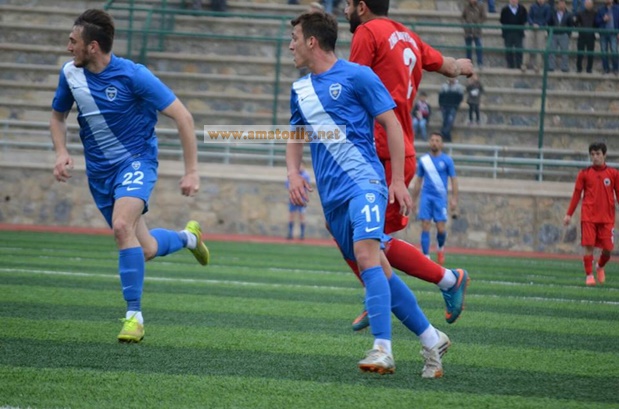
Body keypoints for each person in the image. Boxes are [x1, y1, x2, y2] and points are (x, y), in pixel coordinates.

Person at [287, 11, 452, 377]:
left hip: (366, 183)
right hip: (333, 201)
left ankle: (382, 348)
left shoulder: (358, 75)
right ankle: (431, 337)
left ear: (311, 41)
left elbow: (392, 124)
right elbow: (296, 135)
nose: (290, 46)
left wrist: (397, 181)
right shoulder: (300, 90)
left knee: (367, 256)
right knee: (381, 270)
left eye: (294, 38)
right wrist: (293, 173)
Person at [49, 9, 210, 344]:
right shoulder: (70, 74)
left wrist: (191, 171)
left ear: (93, 46)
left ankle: (134, 317)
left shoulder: (134, 76)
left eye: (73, 41)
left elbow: (183, 116)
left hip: (137, 162)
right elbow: (58, 115)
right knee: (145, 248)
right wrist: (61, 152)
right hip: (100, 174)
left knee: (122, 226)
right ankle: (189, 238)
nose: (68, 47)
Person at [344, 0, 471, 331]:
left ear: (361, 6)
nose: (344, 10)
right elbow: (448, 66)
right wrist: (461, 66)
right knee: (363, 235)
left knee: (370, 240)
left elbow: (350, 85)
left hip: (383, 152)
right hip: (396, 150)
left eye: (347, 4)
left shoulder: (367, 32)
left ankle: (447, 280)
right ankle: (380, 293)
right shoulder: (408, 36)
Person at [563, 142, 619, 286]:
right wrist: (569, 214)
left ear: (604, 155)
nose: (595, 157)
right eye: (592, 154)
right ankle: (589, 275)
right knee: (589, 246)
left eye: (598, 154)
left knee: (608, 249)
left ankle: (600, 266)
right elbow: (577, 194)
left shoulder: (613, 174)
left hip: (607, 218)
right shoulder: (584, 173)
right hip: (589, 216)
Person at [410, 132, 459, 265]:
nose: (434, 143)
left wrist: (454, 198)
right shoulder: (424, 160)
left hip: (440, 198)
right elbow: (418, 180)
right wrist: (413, 200)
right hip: (426, 196)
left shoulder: (447, 160)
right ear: (429, 142)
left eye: (437, 140)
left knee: (441, 228)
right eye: (432, 140)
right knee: (425, 225)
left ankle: (440, 248)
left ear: (441, 144)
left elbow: (454, 180)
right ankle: (426, 257)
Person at [500, 0, 528, 69]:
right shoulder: (505, 10)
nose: (513, 1)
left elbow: (524, 20)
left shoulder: (522, 9)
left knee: (519, 49)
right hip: (508, 33)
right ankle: (510, 65)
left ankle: (519, 64)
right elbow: (502, 20)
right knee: (508, 49)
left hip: (518, 33)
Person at [285, 164, 311, 239]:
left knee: (302, 216)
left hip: (302, 199)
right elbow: (288, 185)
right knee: (291, 215)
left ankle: (302, 234)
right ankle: (290, 233)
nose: (300, 167)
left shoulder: (306, 175)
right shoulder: (293, 174)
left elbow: (307, 186)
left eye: (302, 166)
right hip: (293, 198)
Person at [548, 0, 574, 72]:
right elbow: (549, 23)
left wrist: (568, 34)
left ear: (565, 5)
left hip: (564, 34)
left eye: (563, 4)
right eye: (560, 4)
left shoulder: (569, 14)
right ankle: (551, 66)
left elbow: (570, 25)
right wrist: (550, 33)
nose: (561, 6)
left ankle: (564, 67)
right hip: (554, 34)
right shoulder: (553, 14)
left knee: (564, 52)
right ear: (557, 5)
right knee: (552, 51)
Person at [525, 0, 551, 72]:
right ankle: (524, 64)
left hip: (541, 28)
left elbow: (547, 18)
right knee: (527, 45)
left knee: (540, 47)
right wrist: (532, 23)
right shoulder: (533, 6)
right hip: (532, 27)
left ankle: (538, 65)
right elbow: (529, 16)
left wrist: (540, 25)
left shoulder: (547, 7)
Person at [594, 0, 619, 74]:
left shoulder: (617, 9)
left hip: (613, 33)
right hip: (603, 34)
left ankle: (616, 69)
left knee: (614, 51)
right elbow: (596, 22)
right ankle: (606, 69)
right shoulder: (600, 9)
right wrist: (603, 19)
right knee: (604, 52)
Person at [462, 0, 488, 69]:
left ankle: (480, 63)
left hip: (477, 31)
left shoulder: (481, 6)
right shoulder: (466, 6)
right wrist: (465, 24)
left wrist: (478, 23)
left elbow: (484, 17)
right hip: (468, 31)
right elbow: (463, 16)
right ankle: (468, 64)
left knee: (478, 47)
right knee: (468, 48)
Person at [438, 78, 464, 142]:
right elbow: (440, 96)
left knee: (450, 121)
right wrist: (441, 105)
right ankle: (447, 137)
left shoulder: (458, 87)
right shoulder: (444, 86)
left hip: (453, 106)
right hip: (444, 106)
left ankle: (443, 133)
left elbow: (460, 97)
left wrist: (457, 105)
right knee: (445, 121)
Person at [574, 0, 598, 73]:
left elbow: (597, 23)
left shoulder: (595, 13)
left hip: (591, 36)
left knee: (590, 53)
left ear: (592, 5)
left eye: (589, 4)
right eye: (587, 4)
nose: (588, 5)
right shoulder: (580, 13)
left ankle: (589, 68)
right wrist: (580, 29)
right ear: (584, 5)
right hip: (582, 35)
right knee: (580, 53)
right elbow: (576, 23)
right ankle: (579, 68)